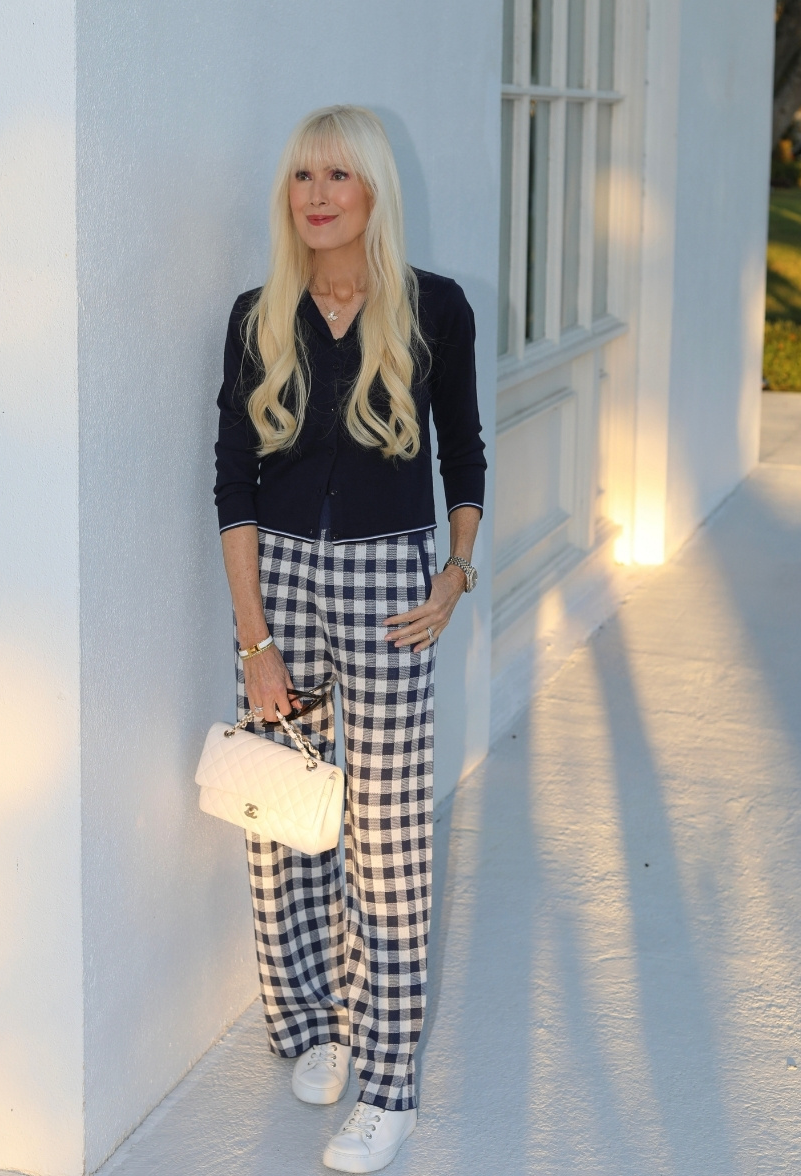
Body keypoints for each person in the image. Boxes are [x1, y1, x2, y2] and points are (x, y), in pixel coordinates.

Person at [214, 104, 486, 1173]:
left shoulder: (435, 311)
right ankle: (316, 1024)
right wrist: (255, 641)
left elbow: (461, 451)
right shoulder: (257, 315)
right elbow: (232, 484)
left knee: (388, 843)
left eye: (337, 175)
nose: (316, 194)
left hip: (388, 587)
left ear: (374, 189)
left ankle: (388, 1087)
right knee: (283, 820)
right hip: (276, 583)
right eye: (300, 177)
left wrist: (456, 570)